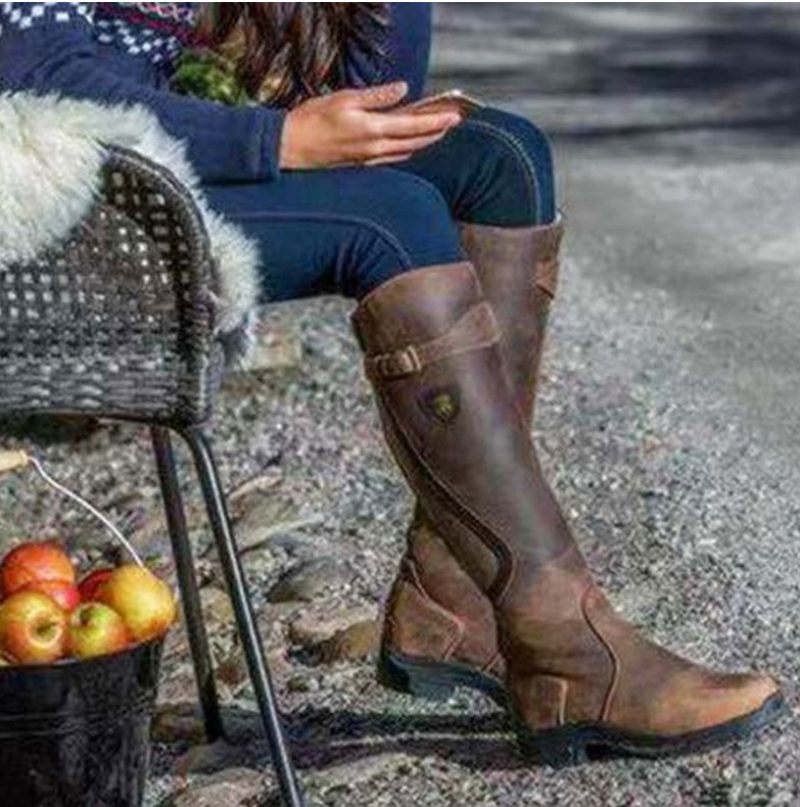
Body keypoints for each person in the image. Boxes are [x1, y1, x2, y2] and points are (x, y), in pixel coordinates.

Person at [0, 2, 782, 764]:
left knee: (501, 161)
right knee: (393, 217)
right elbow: (39, 77)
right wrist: (277, 139)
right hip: (60, 201)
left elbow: (377, 93)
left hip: (159, 166)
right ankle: (565, 645)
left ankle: (451, 604)